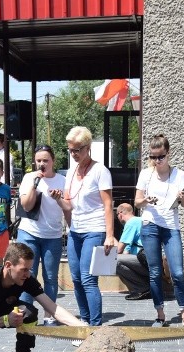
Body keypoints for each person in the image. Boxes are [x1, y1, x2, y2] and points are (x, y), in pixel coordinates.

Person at [134, 134, 184, 327]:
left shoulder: (179, 174)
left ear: (168, 153)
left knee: (177, 272)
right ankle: (160, 314)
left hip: (171, 226)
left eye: (160, 156)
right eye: (153, 157)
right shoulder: (146, 174)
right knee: (154, 272)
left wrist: (183, 196)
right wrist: (146, 200)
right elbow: (137, 202)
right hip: (150, 224)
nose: (156, 161)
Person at [59, 126, 115, 326]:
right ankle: (84, 321)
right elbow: (68, 203)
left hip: (94, 229)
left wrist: (110, 235)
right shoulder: (72, 170)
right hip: (75, 230)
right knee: (75, 278)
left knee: (88, 278)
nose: (73, 154)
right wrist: (58, 199)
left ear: (88, 147)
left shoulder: (100, 171)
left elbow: (108, 204)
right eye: (70, 150)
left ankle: (95, 325)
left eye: (77, 150)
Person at [16, 145, 66, 324]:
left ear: (53, 161)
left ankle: (49, 315)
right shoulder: (30, 178)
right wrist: (34, 186)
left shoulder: (62, 180)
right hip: (29, 233)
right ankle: (26, 314)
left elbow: (67, 206)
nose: (42, 164)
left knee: (50, 277)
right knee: (26, 274)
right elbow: (27, 205)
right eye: (38, 160)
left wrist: (58, 198)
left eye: (46, 160)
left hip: (52, 235)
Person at [115, 202, 149, 300]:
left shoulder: (131, 223)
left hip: (144, 261)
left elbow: (119, 249)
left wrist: (110, 237)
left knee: (114, 261)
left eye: (117, 215)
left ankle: (142, 288)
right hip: (148, 261)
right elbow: (126, 251)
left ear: (120, 214)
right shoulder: (139, 220)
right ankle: (143, 286)